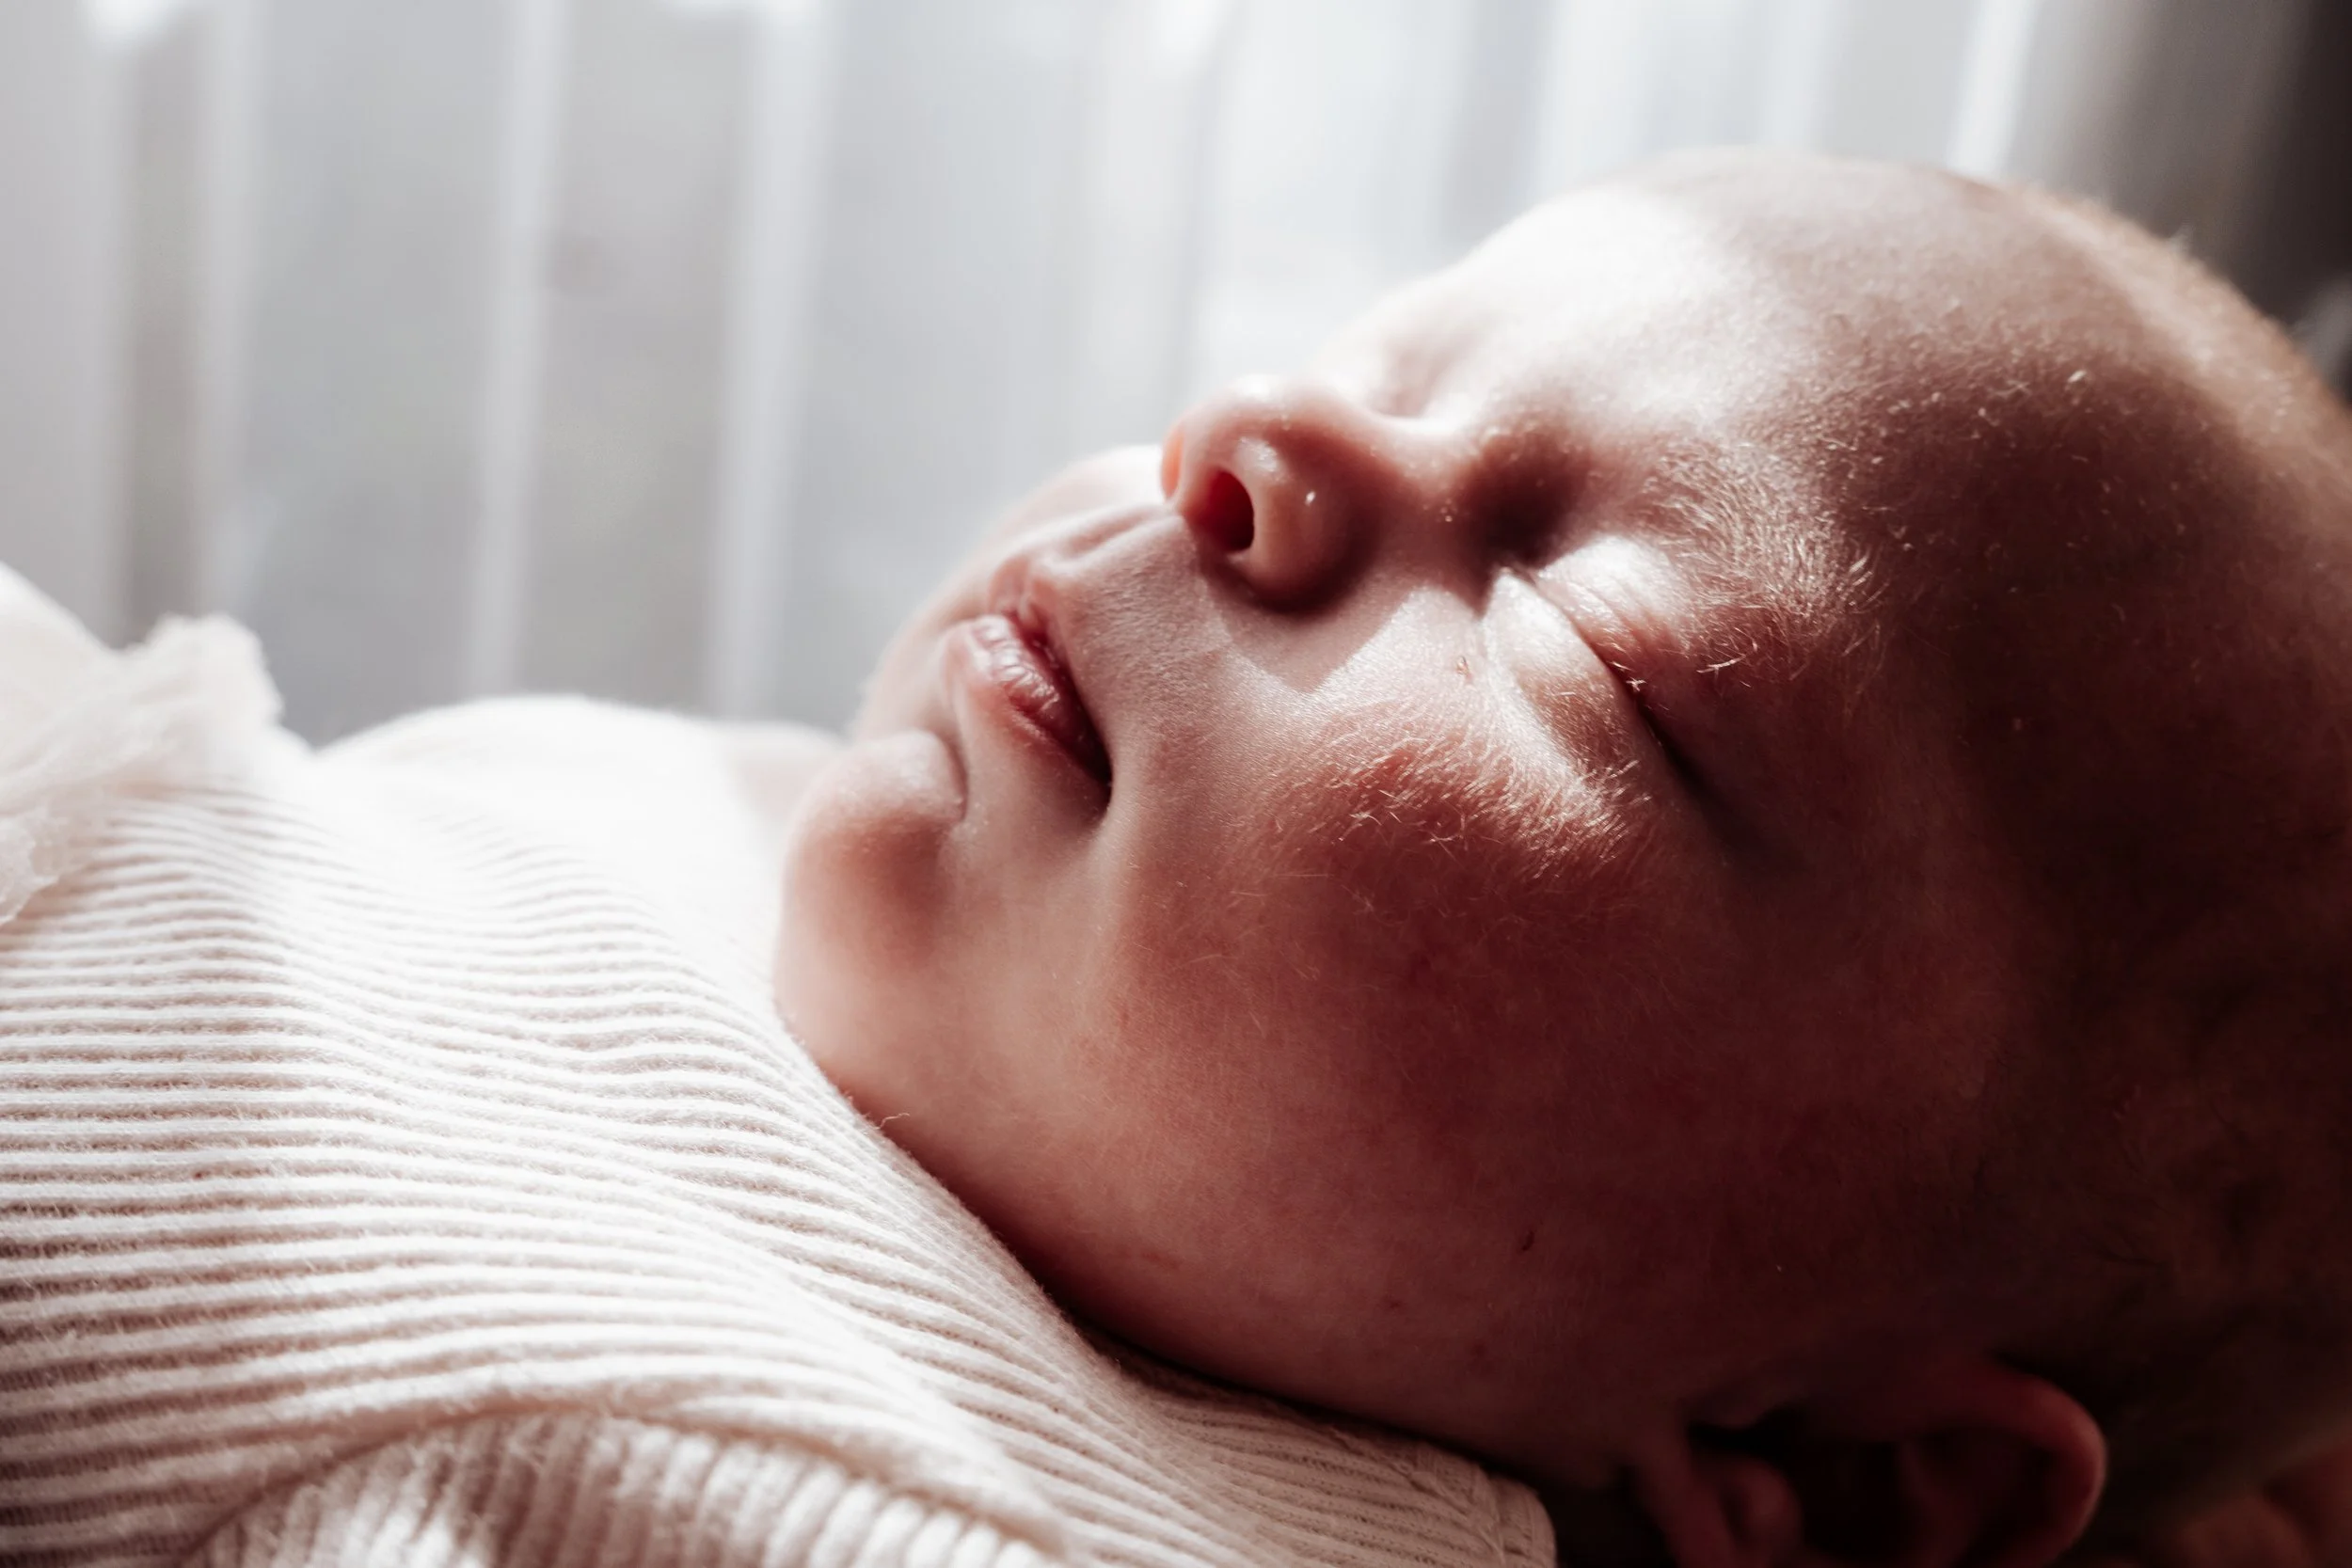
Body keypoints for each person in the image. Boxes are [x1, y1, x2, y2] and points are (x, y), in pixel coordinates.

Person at [3, 150, 2348, 1568]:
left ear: (1825, 1480)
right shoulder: (994, 997)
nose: (1256, 436)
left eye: (1599, 655)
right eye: (1373, 358)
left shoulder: (833, 1486)